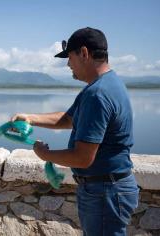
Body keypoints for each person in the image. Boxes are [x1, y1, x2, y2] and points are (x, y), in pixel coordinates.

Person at [11, 27, 139, 236]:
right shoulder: (106, 84)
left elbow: (82, 158)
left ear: (84, 54)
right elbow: (69, 119)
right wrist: (31, 118)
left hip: (104, 192)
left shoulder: (97, 94)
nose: (68, 64)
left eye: (69, 57)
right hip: (108, 188)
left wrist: (45, 155)